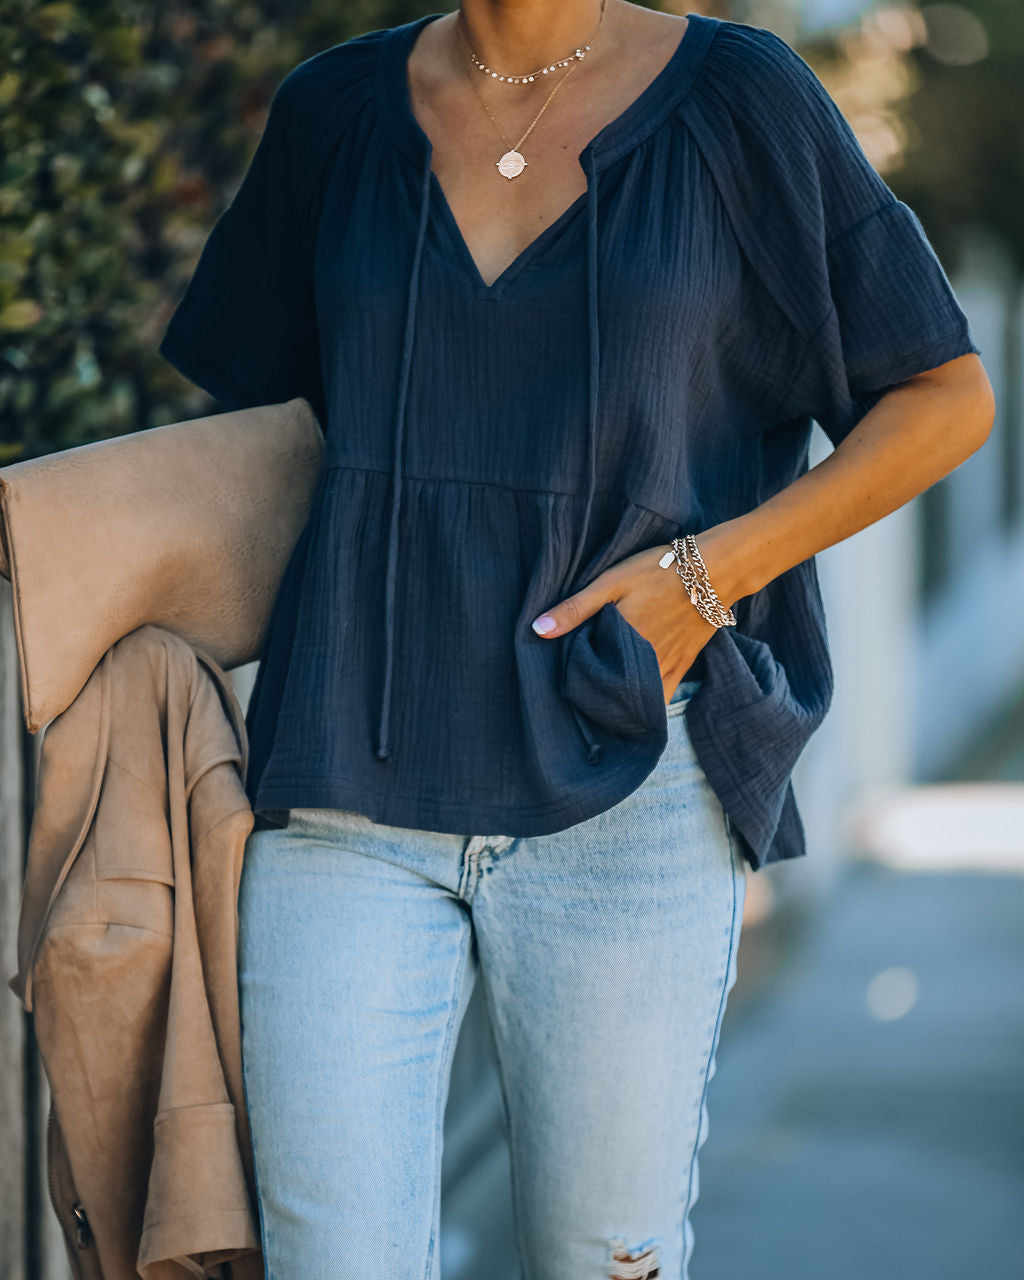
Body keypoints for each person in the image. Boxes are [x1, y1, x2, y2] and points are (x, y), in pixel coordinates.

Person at [157, 3, 995, 1276]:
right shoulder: (337, 109)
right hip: (344, 783)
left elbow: (943, 397)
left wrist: (704, 577)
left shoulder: (739, 100)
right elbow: (267, 434)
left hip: (632, 785)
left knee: (599, 1256)